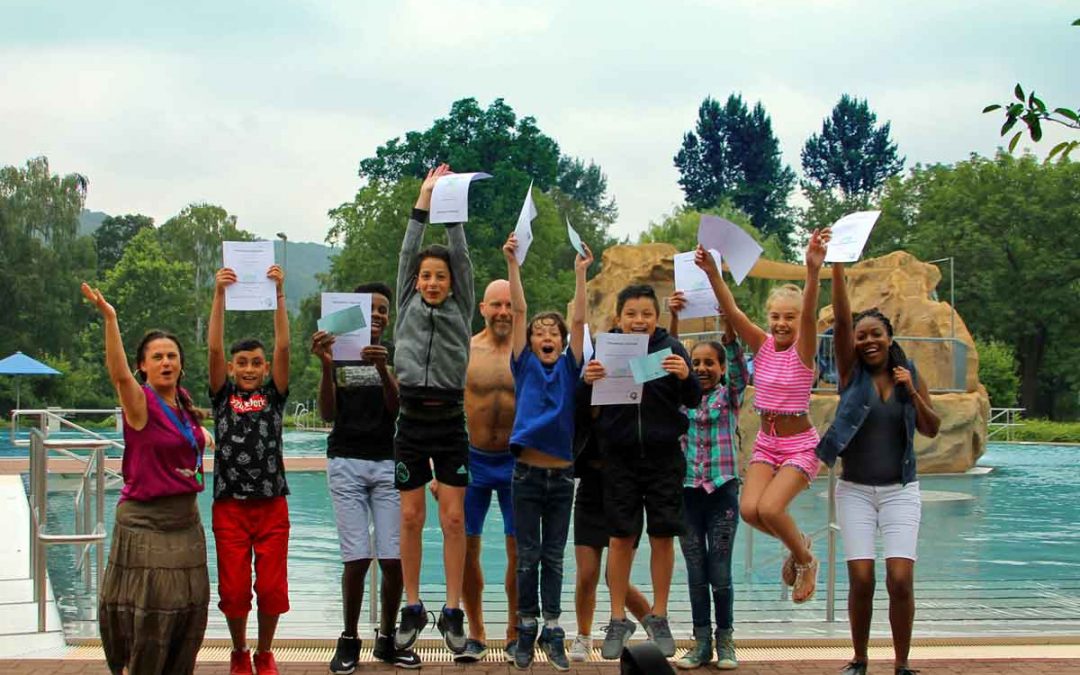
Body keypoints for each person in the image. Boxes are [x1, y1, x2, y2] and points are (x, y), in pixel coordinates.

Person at [816, 262, 941, 675]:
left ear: (889, 338)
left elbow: (932, 427)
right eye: (862, 335)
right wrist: (835, 269)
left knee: (900, 579)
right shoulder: (850, 375)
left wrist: (911, 391)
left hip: (900, 490)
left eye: (876, 334)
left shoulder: (909, 375)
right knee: (863, 578)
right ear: (853, 340)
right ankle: (860, 657)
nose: (869, 340)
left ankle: (902, 663)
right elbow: (843, 313)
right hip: (854, 490)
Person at [694, 230, 830, 604]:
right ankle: (798, 544)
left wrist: (813, 271)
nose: (781, 323)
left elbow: (811, 309)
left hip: (799, 444)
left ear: (800, 320)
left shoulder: (803, 349)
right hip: (767, 443)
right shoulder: (763, 345)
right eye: (775, 316)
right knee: (750, 510)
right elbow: (734, 313)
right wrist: (711, 273)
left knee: (771, 508)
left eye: (790, 317)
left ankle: (805, 561)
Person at [82, 283, 209, 675]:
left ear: (181, 364)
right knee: (149, 616)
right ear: (144, 366)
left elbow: (195, 440)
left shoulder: (185, 406)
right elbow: (118, 376)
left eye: (172, 356)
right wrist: (111, 319)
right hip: (146, 524)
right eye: (157, 357)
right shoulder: (142, 403)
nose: (166, 362)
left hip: (185, 525)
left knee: (188, 613)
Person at [582, 284, 703, 659]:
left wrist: (686, 375)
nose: (639, 321)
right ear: (618, 318)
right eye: (631, 314)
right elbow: (582, 405)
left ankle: (660, 613)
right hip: (619, 458)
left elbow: (695, 399)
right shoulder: (604, 350)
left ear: (657, 318)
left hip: (664, 456)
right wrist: (587, 380)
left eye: (646, 314)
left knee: (663, 534)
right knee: (620, 537)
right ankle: (618, 617)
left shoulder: (672, 348)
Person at [313, 282, 420, 673]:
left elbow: (398, 410)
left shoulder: (395, 357)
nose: (377, 315)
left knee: (393, 560)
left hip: (388, 463)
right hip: (346, 462)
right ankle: (349, 638)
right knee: (356, 559)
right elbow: (327, 414)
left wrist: (381, 367)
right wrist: (326, 365)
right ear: (355, 312)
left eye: (383, 311)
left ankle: (388, 639)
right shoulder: (337, 355)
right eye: (371, 309)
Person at [392, 163, 475, 658]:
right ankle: (413, 606)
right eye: (425, 276)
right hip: (410, 419)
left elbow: (460, 255)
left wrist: (451, 205)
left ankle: (451, 611)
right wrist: (423, 199)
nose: (431, 282)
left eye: (439, 276)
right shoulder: (407, 300)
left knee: (453, 521)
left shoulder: (460, 305)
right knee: (409, 515)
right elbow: (408, 250)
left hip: (449, 419)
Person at [503, 233, 591, 671]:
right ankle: (524, 630)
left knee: (555, 557)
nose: (545, 335)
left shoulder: (572, 366)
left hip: (562, 478)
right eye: (539, 332)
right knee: (527, 557)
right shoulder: (524, 365)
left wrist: (580, 274)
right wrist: (513, 264)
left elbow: (579, 322)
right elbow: (518, 310)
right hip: (526, 475)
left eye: (551, 331)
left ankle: (553, 630)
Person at [208, 265, 290, 675]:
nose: (250, 368)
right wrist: (219, 296)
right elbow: (213, 351)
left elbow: (284, 348)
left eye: (256, 362)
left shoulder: (274, 397)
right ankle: (240, 649)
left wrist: (279, 294)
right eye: (242, 362)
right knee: (234, 589)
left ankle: (264, 651)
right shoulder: (222, 397)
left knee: (272, 588)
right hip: (230, 506)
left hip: (272, 504)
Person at [666, 294, 748, 670]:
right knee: (696, 572)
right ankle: (701, 641)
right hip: (686, 492)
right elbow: (667, 361)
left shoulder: (729, 395)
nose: (701, 368)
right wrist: (673, 317)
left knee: (720, 570)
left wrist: (728, 321)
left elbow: (737, 366)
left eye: (708, 362)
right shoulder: (681, 397)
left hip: (722, 491)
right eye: (696, 362)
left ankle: (726, 640)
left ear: (719, 367)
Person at [453, 278, 519, 663]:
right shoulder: (466, 349)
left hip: (515, 461)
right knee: (465, 548)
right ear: (483, 308)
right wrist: (439, 464)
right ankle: (476, 631)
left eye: (509, 305)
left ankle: (513, 632)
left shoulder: (527, 352)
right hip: (473, 459)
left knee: (518, 550)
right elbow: (445, 405)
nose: (503, 312)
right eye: (496, 305)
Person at [570, 413, 652, 663]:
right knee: (586, 573)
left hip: (627, 486)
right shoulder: (587, 387)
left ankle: (655, 627)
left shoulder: (636, 391)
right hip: (591, 485)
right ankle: (584, 636)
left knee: (615, 577)